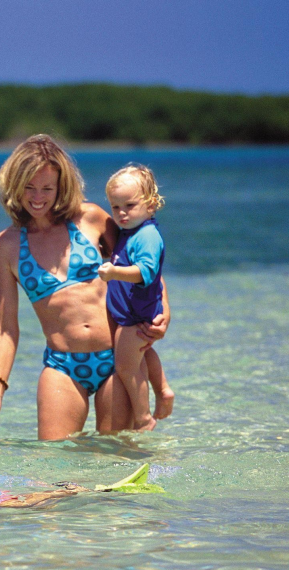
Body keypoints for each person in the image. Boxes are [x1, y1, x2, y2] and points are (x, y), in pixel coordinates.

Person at [0, 135, 174, 441]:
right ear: (15, 186)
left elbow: (145, 264)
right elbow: (5, 327)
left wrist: (165, 313)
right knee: (55, 471)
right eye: (29, 187)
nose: (38, 196)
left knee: (114, 468)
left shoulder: (89, 218)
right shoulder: (6, 246)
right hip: (62, 366)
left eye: (47, 188)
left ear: (61, 186)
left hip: (116, 360)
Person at [99, 164, 167, 431]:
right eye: (116, 207)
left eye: (129, 205)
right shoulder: (131, 232)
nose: (122, 213)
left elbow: (146, 273)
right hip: (131, 313)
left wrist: (115, 272)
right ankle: (163, 390)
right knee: (141, 354)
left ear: (151, 206)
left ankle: (143, 418)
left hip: (135, 315)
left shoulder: (147, 235)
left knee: (126, 367)